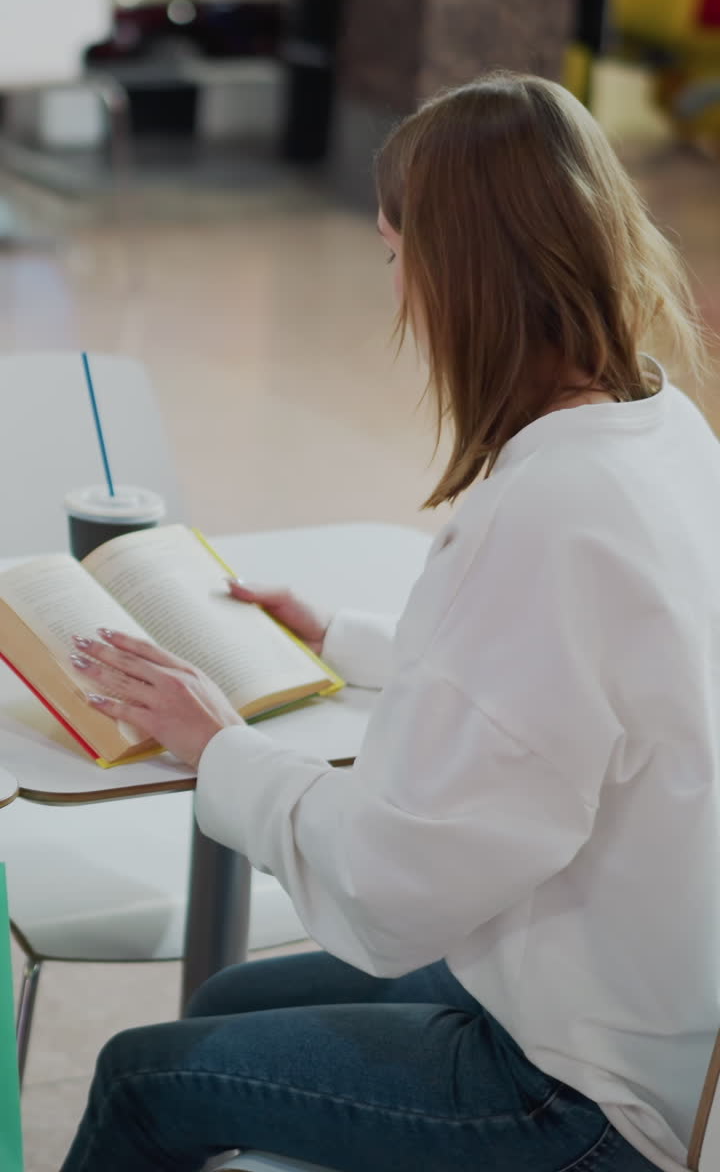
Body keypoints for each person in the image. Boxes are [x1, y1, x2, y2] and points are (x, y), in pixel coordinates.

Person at [61, 73, 718, 1172]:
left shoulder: (549, 516)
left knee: (143, 1074)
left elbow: (390, 886)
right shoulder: (664, 429)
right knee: (227, 996)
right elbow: (567, 694)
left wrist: (221, 744)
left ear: (460, 275)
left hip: (582, 1094)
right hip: (635, 993)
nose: (397, 288)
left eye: (394, 253)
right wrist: (346, 637)